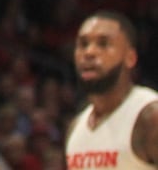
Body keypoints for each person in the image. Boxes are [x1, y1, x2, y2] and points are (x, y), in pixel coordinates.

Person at [66, 11, 158, 170]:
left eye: (103, 44)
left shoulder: (150, 116)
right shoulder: (75, 127)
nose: (89, 52)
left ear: (130, 58)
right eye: (83, 44)